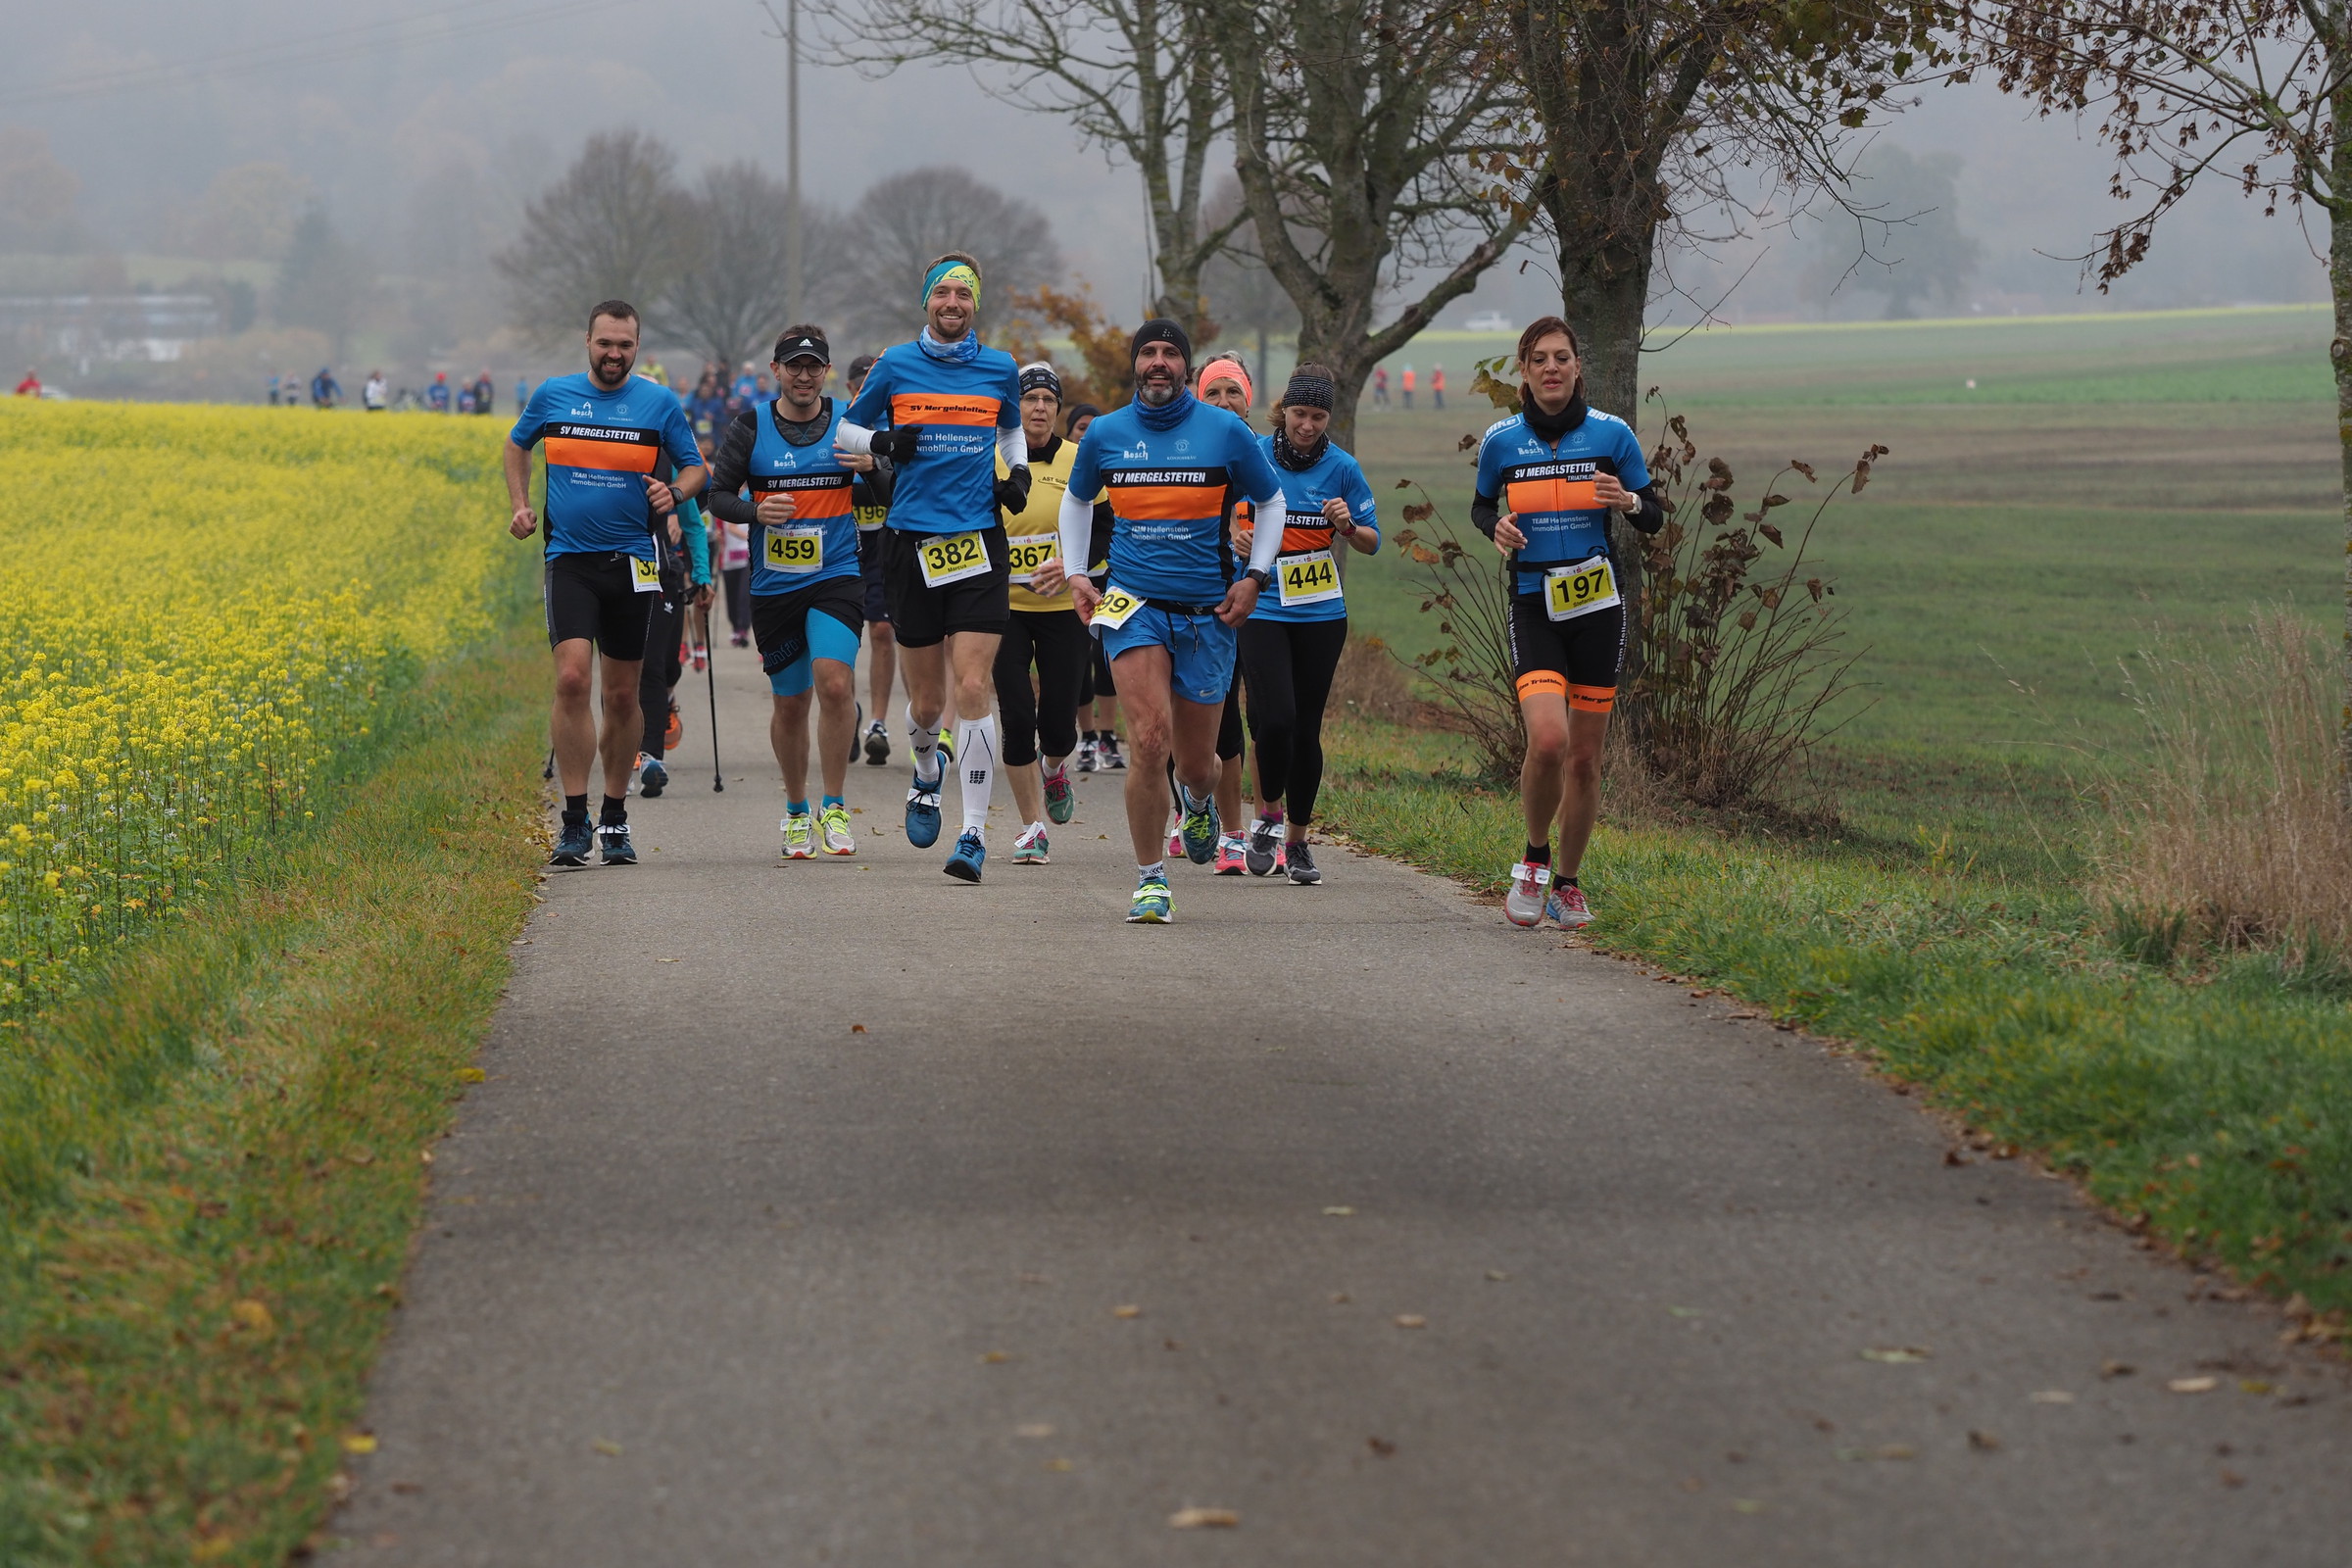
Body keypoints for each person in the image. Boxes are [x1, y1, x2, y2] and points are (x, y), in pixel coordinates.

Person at [1035, 319, 1286, 924]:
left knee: (1198, 764)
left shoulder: (1225, 431)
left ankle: (1197, 800)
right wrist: (1078, 574)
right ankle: (1151, 880)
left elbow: (1272, 500)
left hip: (1206, 614)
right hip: (1133, 608)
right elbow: (1077, 500)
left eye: (1170, 353)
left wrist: (1254, 577)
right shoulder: (1108, 433)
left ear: (1186, 369)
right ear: (1135, 364)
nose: (1158, 362)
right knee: (1149, 740)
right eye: (1147, 351)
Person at [838, 252, 1030, 882]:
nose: (953, 303)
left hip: (977, 540)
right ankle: (926, 771)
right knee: (926, 703)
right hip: (910, 543)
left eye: (963, 294)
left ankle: (973, 834)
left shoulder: (1000, 367)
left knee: (973, 687)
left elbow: (1009, 431)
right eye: (943, 293)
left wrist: (1019, 472)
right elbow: (847, 431)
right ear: (927, 301)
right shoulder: (896, 364)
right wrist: (886, 442)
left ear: (975, 304)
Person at [1473, 315, 1661, 928]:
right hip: (1534, 605)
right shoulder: (1501, 441)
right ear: (1524, 373)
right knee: (1548, 740)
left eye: (1561, 358)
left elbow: (1654, 514)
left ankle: (1568, 885)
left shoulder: (1612, 435)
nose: (1551, 368)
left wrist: (1628, 501)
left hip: (1598, 609)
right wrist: (1496, 527)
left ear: (1578, 367)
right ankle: (1533, 859)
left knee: (1584, 758)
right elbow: (1481, 505)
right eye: (1539, 360)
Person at [506, 299, 707, 867]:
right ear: (587, 342)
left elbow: (695, 467)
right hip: (570, 561)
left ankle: (615, 816)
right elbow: (517, 444)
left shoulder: (658, 403)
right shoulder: (554, 395)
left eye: (625, 345)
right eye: (605, 343)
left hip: (633, 564)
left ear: (637, 347)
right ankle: (575, 821)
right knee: (572, 679)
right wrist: (520, 505)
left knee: (622, 694)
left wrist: (676, 493)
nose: (614, 354)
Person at [710, 326, 879, 858]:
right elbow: (717, 496)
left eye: (813, 367)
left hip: (836, 575)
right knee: (791, 703)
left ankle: (835, 805)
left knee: (835, 684)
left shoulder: (850, 424)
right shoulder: (750, 426)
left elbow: (893, 488)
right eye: (794, 366)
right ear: (776, 371)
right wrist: (756, 511)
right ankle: (797, 811)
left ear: (826, 372)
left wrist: (874, 467)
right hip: (775, 585)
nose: (804, 376)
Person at [1235, 363, 1379, 885]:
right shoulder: (1252, 454)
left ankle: (1296, 842)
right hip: (1262, 605)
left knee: (1305, 728)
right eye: (1299, 413)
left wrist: (1348, 526)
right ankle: (1268, 815)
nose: (1307, 425)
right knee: (1274, 719)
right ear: (1284, 411)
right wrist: (1234, 533)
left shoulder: (1343, 468)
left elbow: (1372, 541)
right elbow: (1218, 505)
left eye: (1318, 416)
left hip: (1320, 612)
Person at [990, 363, 1092, 865]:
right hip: (1003, 608)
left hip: (1063, 607)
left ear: (1058, 409)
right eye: (1029, 399)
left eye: (1048, 400)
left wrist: (1074, 566)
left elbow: (1105, 525)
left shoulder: (1078, 458)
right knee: (1015, 715)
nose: (1038, 408)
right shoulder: (993, 457)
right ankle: (1031, 827)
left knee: (1058, 725)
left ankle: (1053, 768)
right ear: (1015, 407)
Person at [1182, 354, 1255, 874]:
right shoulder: (1186, 450)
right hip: (1202, 601)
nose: (1225, 403)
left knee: (1249, 720)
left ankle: (1237, 829)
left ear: (1248, 399)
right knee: (1200, 715)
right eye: (1213, 393)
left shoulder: (1265, 454)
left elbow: (1289, 512)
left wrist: (1261, 546)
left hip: (1263, 604)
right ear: (1198, 398)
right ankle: (1199, 814)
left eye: (1234, 392)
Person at [633, 431, 713, 799]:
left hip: (665, 571)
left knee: (666, 666)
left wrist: (702, 576)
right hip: (620, 571)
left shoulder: (671, 458)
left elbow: (693, 524)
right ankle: (644, 754)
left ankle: (665, 705)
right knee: (636, 666)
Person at [1063, 401, 1126, 774]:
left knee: (1105, 658)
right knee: (1079, 659)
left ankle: (1107, 735)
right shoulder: (1062, 469)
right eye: (1080, 428)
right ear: (1070, 434)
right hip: (1068, 580)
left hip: (1107, 576)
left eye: (1092, 428)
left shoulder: (1114, 465)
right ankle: (1086, 734)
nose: (1086, 435)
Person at [844, 352, 898, 766]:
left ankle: (877, 722)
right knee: (842, 636)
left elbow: (898, 486)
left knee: (881, 630)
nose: (868, 391)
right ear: (850, 388)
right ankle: (846, 710)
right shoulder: (841, 426)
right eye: (861, 384)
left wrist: (874, 471)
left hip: (885, 543)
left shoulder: (894, 429)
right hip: (844, 543)